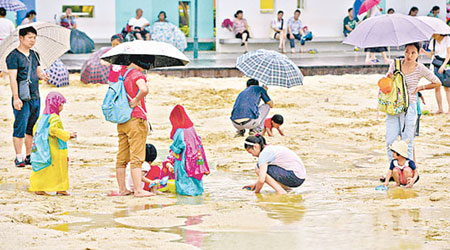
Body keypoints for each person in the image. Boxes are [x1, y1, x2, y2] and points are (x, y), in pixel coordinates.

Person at [385, 43, 441, 162]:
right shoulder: (396, 64)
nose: (409, 55)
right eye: (406, 52)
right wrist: (389, 78)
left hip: (409, 106)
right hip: (393, 105)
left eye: (413, 52)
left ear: (418, 53)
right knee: (390, 140)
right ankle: (393, 170)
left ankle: (408, 171)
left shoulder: (420, 68)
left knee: (407, 141)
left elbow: (437, 82)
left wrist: (421, 88)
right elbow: (386, 85)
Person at [7, 26, 49, 168]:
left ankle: (29, 155)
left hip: (35, 96)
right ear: (21, 38)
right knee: (20, 126)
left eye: (34, 38)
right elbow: (13, 78)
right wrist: (16, 97)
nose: (33, 41)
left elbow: (38, 72)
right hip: (22, 97)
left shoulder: (35, 54)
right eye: (30, 37)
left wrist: (43, 76)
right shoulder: (13, 56)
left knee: (31, 127)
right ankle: (19, 157)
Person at [115, 55, 152, 197]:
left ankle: (122, 189)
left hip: (122, 119)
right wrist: (137, 100)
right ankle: (138, 189)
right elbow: (144, 89)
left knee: (122, 157)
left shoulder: (123, 74)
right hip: (136, 118)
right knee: (137, 156)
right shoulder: (137, 74)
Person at [29, 92, 77, 195]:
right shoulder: (54, 117)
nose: (62, 107)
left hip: (44, 147)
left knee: (44, 168)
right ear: (56, 105)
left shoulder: (43, 117)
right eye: (61, 104)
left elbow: (35, 130)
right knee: (60, 167)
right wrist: (68, 135)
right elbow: (53, 130)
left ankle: (39, 187)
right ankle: (60, 187)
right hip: (55, 147)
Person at [169, 105, 210, 196]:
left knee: (185, 178)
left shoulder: (179, 131)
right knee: (196, 177)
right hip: (197, 158)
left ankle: (187, 195)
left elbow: (177, 148)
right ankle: (197, 193)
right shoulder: (192, 129)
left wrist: (172, 153)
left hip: (185, 159)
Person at [421, 34, 450, 114]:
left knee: (447, 88)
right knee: (436, 87)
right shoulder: (433, 41)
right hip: (435, 65)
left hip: (445, 64)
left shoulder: (447, 39)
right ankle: (440, 108)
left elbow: (448, 54)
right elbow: (432, 55)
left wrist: (443, 66)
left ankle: (449, 109)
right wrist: (424, 52)